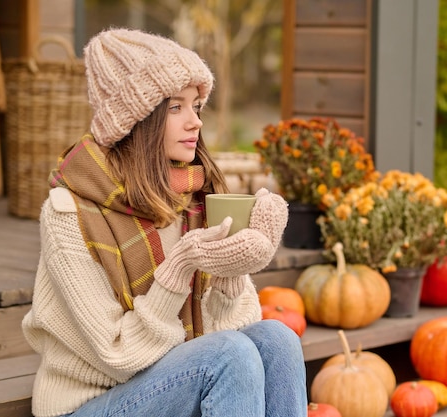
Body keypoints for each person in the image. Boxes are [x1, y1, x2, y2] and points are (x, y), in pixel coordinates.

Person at [22, 27, 308, 417]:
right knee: (229, 355)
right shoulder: (68, 212)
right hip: (90, 402)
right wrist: (178, 271)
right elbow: (117, 354)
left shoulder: (193, 197)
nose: (195, 123)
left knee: (276, 339)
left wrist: (230, 277)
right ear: (135, 121)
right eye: (176, 108)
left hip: (171, 380)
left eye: (196, 106)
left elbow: (234, 326)